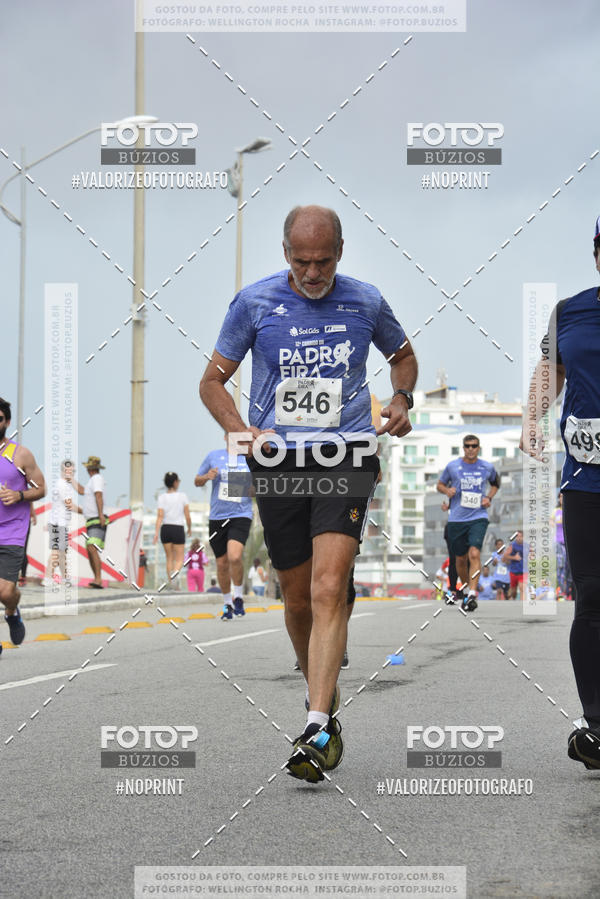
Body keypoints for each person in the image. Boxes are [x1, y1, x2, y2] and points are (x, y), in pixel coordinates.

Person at [199, 204, 417, 783]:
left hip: (345, 454)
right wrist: (242, 431)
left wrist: (400, 400)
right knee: (297, 599)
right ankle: (323, 690)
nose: (313, 273)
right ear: (285, 253)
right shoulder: (255, 303)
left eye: (323, 262)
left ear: (340, 252)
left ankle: (318, 724)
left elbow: (403, 358)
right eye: (302, 262)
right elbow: (211, 381)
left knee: (327, 586)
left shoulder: (365, 302)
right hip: (278, 464)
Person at [520, 214, 600, 769]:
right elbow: (550, 370)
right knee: (592, 600)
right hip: (586, 479)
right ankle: (596, 725)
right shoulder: (569, 311)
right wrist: (532, 421)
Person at [0, 397, 46, 653]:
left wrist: (19, 496)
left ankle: (11, 611)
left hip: (12, 531)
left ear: (6, 422)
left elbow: (41, 488)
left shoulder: (20, 454)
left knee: (5, 591)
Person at [437, 435, 500, 612]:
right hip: (456, 519)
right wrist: (447, 490)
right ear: (463, 448)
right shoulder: (453, 466)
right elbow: (440, 484)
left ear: (479, 448)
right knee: (460, 560)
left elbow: (496, 483)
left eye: (474, 446)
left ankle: (472, 592)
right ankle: (465, 588)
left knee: (474, 553)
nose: (471, 449)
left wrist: (489, 497)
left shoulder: (487, 467)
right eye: (467, 446)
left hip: (478, 517)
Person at [195, 436, 253, 620]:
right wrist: (207, 477)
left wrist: (240, 488)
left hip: (241, 514)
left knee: (234, 556)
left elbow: (259, 487)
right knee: (221, 563)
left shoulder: (250, 458)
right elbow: (197, 480)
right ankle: (227, 603)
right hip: (217, 516)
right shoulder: (213, 456)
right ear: (226, 437)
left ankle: (238, 596)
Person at [68, 456, 109, 588]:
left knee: (92, 547)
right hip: (91, 519)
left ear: (90, 468)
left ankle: (98, 579)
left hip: (97, 518)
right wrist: (71, 479)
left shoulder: (96, 479)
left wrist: (101, 515)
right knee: (90, 549)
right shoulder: (92, 481)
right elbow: (81, 491)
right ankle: (96, 579)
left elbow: (98, 495)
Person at [153, 472, 191, 590]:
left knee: (169, 557)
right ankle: (175, 575)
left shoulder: (161, 497)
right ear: (175, 482)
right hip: (178, 528)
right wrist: (189, 527)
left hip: (165, 528)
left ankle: (173, 584)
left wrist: (156, 533)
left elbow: (160, 516)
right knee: (179, 558)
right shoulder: (182, 496)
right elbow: (187, 515)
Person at [42, 460, 77, 587]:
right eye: (69, 472)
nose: (72, 474)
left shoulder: (65, 485)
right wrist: (84, 511)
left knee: (62, 552)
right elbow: (69, 505)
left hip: (60, 523)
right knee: (56, 552)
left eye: (73, 472)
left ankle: (65, 578)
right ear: (64, 471)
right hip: (58, 523)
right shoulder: (62, 485)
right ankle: (47, 578)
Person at [553, 493, 572, 599]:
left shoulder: (570, 510)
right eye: (560, 497)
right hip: (559, 542)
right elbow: (551, 521)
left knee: (569, 566)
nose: (562, 499)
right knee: (561, 566)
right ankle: (561, 590)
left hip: (569, 542)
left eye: (564, 496)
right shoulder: (556, 512)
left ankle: (567, 590)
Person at [503, 530, 527, 601]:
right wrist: (514, 557)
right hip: (513, 571)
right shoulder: (512, 546)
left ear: (523, 537)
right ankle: (513, 599)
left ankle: (522, 604)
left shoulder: (527, 546)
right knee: (513, 591)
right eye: (517, 536)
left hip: (523, 571)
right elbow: (505, 556)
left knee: (522, 587)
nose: (519, 538)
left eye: (520, 536)